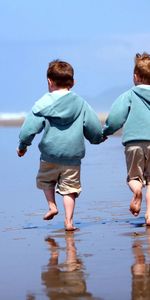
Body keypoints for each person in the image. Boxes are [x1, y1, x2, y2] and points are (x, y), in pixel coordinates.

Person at [17, 59, 103, 231]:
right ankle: (69, 221)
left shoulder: (42, 104)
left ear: (49, 81)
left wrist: (23, 145)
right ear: (73, 82)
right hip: (73, 156)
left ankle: (51, 206)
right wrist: (96, 138)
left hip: (49, 155)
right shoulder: (80, 103)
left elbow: (29, 128)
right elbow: (93, 125)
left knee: (47, 180)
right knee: (70, 189)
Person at [103, 52, 150, 226]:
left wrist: (106, 132)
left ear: (135, 77)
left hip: (133, 143)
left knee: (134, 177)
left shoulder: (129, 95)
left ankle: (136, 191)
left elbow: (115, 118)